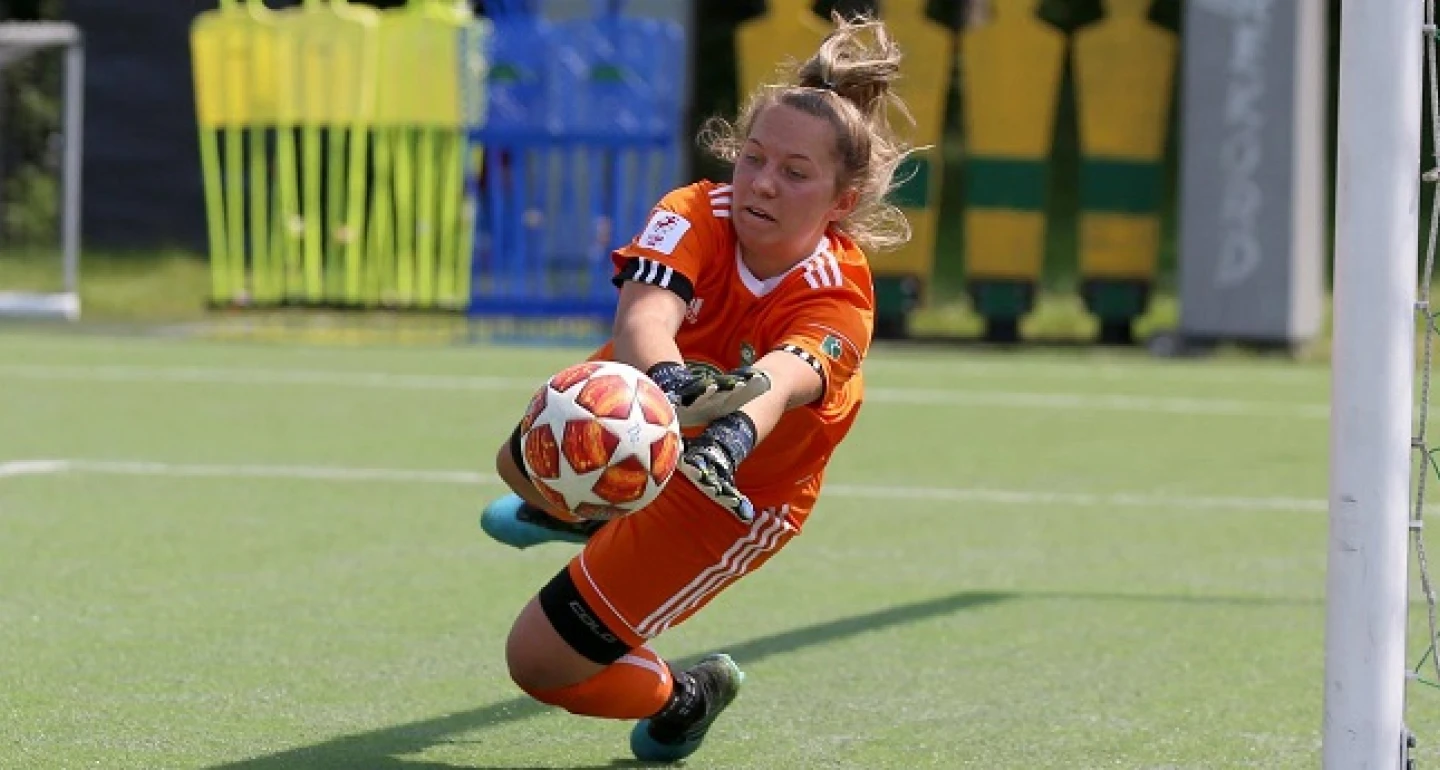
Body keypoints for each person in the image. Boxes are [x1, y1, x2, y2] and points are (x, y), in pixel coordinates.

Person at [478, 13, 914, 763]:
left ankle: (688, 695)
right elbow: (646, 315)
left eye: (795, 173)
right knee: (517, 466)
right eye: (754, 159)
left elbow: (781, 379)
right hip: (654, 405)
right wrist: (669, 384)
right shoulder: (694, 211)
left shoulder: (840, 292)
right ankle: (600, 506)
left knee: (539, 664)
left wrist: (731, 435)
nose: (763, 183)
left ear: (840, 202)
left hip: (735, 490)